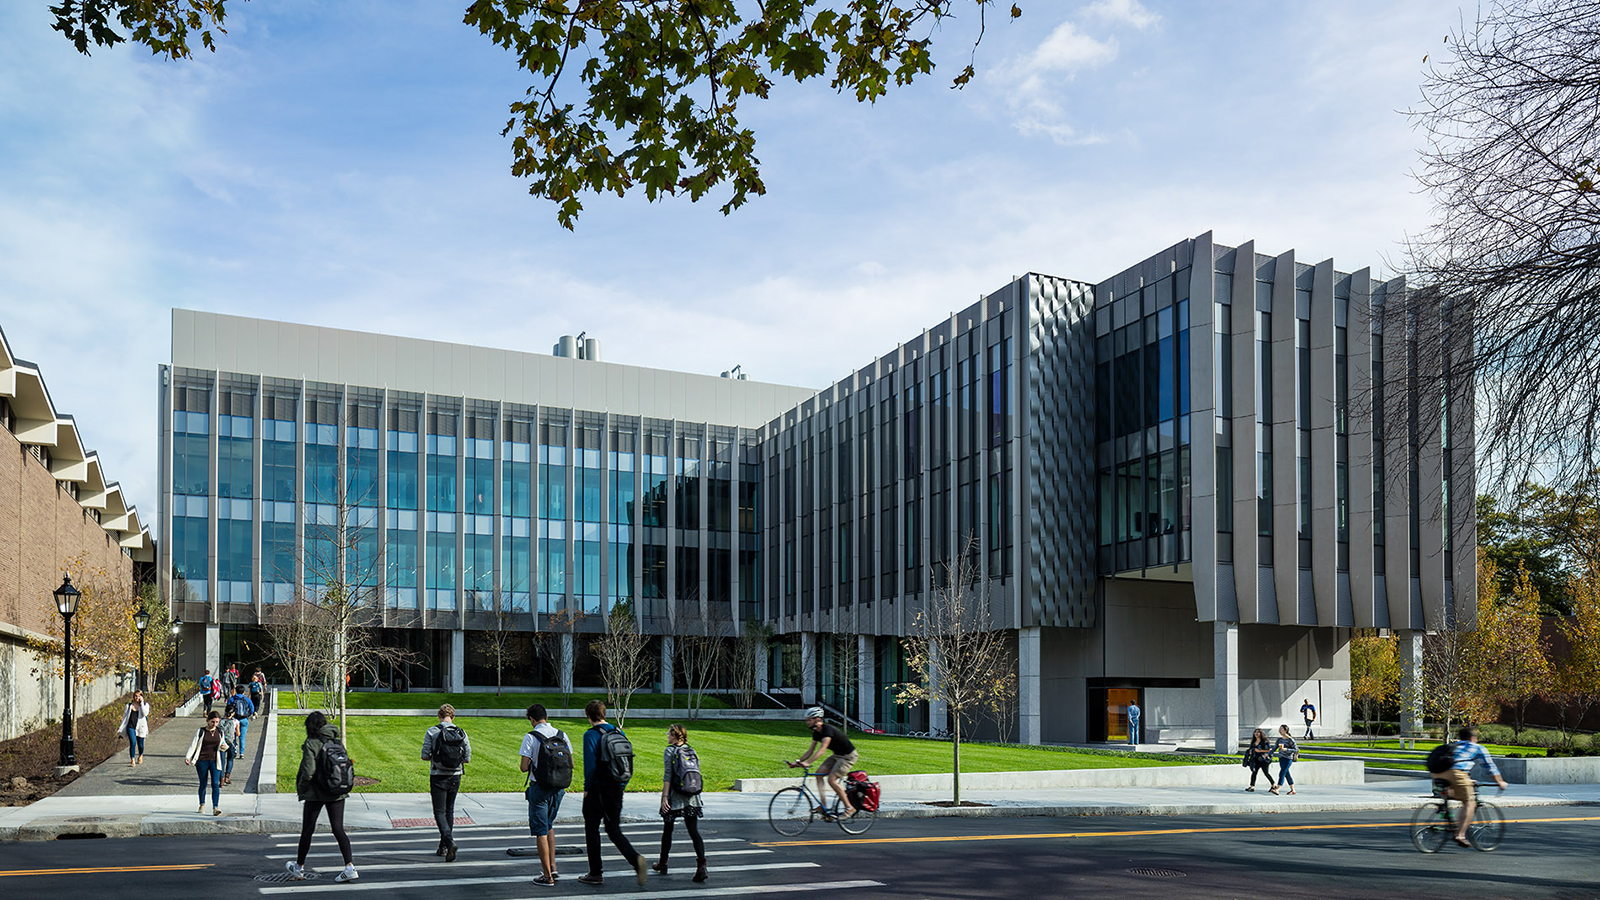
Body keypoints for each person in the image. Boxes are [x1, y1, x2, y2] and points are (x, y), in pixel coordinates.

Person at [579, 700, 648, 887]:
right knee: (613, 829)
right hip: (617, 787)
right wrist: (623, 784)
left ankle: (595, 873)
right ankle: (635, 859)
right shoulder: (618, 732)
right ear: (604, 713)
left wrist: (587, 788)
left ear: (588, 716)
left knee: (592, 829)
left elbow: (591, 766)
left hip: (598, 789)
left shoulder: (590, 735)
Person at [286, 710, 358, 884]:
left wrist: (302, 788)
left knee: (308, 830)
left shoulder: (311, 743)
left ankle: (299, 867)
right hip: (336, 791)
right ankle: (349, 867)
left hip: (315, 793)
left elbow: (308, 771)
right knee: (338, 829)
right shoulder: (337, 741)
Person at [520, 703, 570, 887]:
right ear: (546, 717)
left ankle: (547, 876)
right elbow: (570, 761)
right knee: (549, 825)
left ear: (532, 719)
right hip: (559, 788)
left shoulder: (531, 737)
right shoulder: (562, 734)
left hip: (539, 788)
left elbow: (524, 766)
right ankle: (553, 865)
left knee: (540, 830)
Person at [652, 723, 707, 883]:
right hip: (692, 797)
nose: (667, 736)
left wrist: (664, 797)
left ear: (674, 736)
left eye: (668, 733)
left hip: (675, 797)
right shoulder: (691, 750)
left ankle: (663, 863)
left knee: (667, 830)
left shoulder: (669, 751)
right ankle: (701, 865)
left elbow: (668, 775)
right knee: (693, 831)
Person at [422, 703, 472, 862]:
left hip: (438, 775)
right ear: (453, 716)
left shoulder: (432, 731)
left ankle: (448, 843)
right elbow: (468, 758)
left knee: (439, 811)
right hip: (455, 776)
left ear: (439, 715)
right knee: (449, 810)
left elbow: (424, 755)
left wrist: (436, 758)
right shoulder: (461, 732)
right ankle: (443, 847)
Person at [1444, 725, 1509, 848]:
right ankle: (1460, 835)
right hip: (1457, 774)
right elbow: (1490, 766)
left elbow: (1455, 763)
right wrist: (1500, 781)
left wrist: (1467, 779)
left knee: (1454, 795)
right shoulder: (1476, 747)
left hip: (1439, 774)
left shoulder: (1453, 746)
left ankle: (1444, 812)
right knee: (1470, 802)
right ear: (1473, 738)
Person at [786, 707, 857, 818]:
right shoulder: (816, 733)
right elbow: (810, 750)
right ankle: (823, 806)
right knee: (818, 774)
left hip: (848, 756)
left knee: (831, 780)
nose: (807, 722)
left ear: (817, 719)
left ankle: (849, 807)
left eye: (809, 720)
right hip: (837, 755)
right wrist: (798, 762)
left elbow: (822, 749)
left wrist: (808, 763)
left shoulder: (827, 730)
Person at [183, 710, 230, 815]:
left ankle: (215, 807)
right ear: (208, 721)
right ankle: (202, 805)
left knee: (215, 784)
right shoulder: (201, 731)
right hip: (202, 760)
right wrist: (188, 757)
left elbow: (224, 744)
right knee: (203, 783)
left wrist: (224, 747)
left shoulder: (220, 732)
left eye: (217, 722)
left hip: (215, 761)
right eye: (213, 722)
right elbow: (193, 744)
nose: (215, 724)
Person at [116, 690, 151, 767]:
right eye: (136, 696)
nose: (137, 698)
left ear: (141, 697)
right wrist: (121, 728)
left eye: (139, 696)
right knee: (133, 743)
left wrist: (141, 703)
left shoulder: (145, 705)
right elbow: (125, 718)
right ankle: (132, 759)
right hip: (131, 727)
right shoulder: (129, 706)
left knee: (140, 744)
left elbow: (145, 713)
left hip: (141, 727)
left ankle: (140, 755)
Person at [228, 683, 256, 760]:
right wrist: (247, 715)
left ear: (236, 691)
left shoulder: (232, 699)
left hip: (234, 719)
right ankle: (242, 753)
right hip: (244, 719)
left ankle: (234, 750)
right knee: (242, 737)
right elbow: (252, 709)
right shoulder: (247, 699)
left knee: (233, 736)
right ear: (244, 692)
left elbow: (228, 709)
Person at [1270, 724, 1298, 795]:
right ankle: (1293, 790)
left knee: (1282, 773)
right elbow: (1274, 748)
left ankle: (1277, 789)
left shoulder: (1290, 740)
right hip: (1281, 758)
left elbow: (1295, 749)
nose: (1279, 730)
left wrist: (1286, 749)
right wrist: (1268, 753)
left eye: (1281, 729)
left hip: (1288, 759)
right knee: (1287, 774)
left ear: (1286, 730)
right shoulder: (1279, 739)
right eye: (1279, 729)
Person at [1244, 727, 1274, 791]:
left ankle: (1273, 784)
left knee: (1266, 773)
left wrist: (1259, 751)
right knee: (1254, 772)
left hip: (1264, 760)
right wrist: (1250, 752)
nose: (1256, 734)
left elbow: (1269, 750)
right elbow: (1252, 748)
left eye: (1258, 732)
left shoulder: (1264, 742)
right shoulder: (1254, 742)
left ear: (1261, 734)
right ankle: (1252, 786)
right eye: (1255, 732)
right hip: (1255, 760)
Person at [218, 708, 241, 786]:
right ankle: (227, 777)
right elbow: (238, 734)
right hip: (231, 742)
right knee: (230, 759)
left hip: (222, 743)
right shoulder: (235, 722)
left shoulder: (220, 721)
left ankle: (221, 779)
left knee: (222, 761)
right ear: (233, 713)